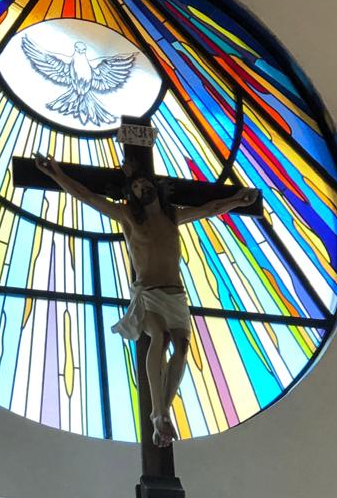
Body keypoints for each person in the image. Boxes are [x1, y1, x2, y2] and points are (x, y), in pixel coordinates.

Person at [33, 155, 257, 446]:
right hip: (149, 293)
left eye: (144, 184)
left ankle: (162, 413)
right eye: (136, 187)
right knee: (160, 337)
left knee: (182, 348)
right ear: (132, 195)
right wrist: (56, 173)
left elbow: (210, 209)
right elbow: (86, 196)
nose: (142, 188)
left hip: (176, 295)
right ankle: (158, 412)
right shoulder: (128, 216)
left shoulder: (173, 216)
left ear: (155, 186)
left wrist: (237, 200)